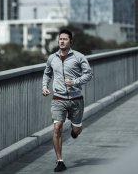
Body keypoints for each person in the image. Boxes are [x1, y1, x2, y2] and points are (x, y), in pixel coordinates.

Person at [42, 29, 93, 172]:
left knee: (76, 130)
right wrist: (45, 87)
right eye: (60, 39)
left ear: (71, 41)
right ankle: (60, 161)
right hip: (58, 98)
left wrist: (75, 82)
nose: (62, 41)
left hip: (76, 99)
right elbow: (47, 73)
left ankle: (75, 130)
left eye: (65, 39)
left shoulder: (79, 57)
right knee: (57, 127)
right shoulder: (52, 58)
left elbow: (88, 74)